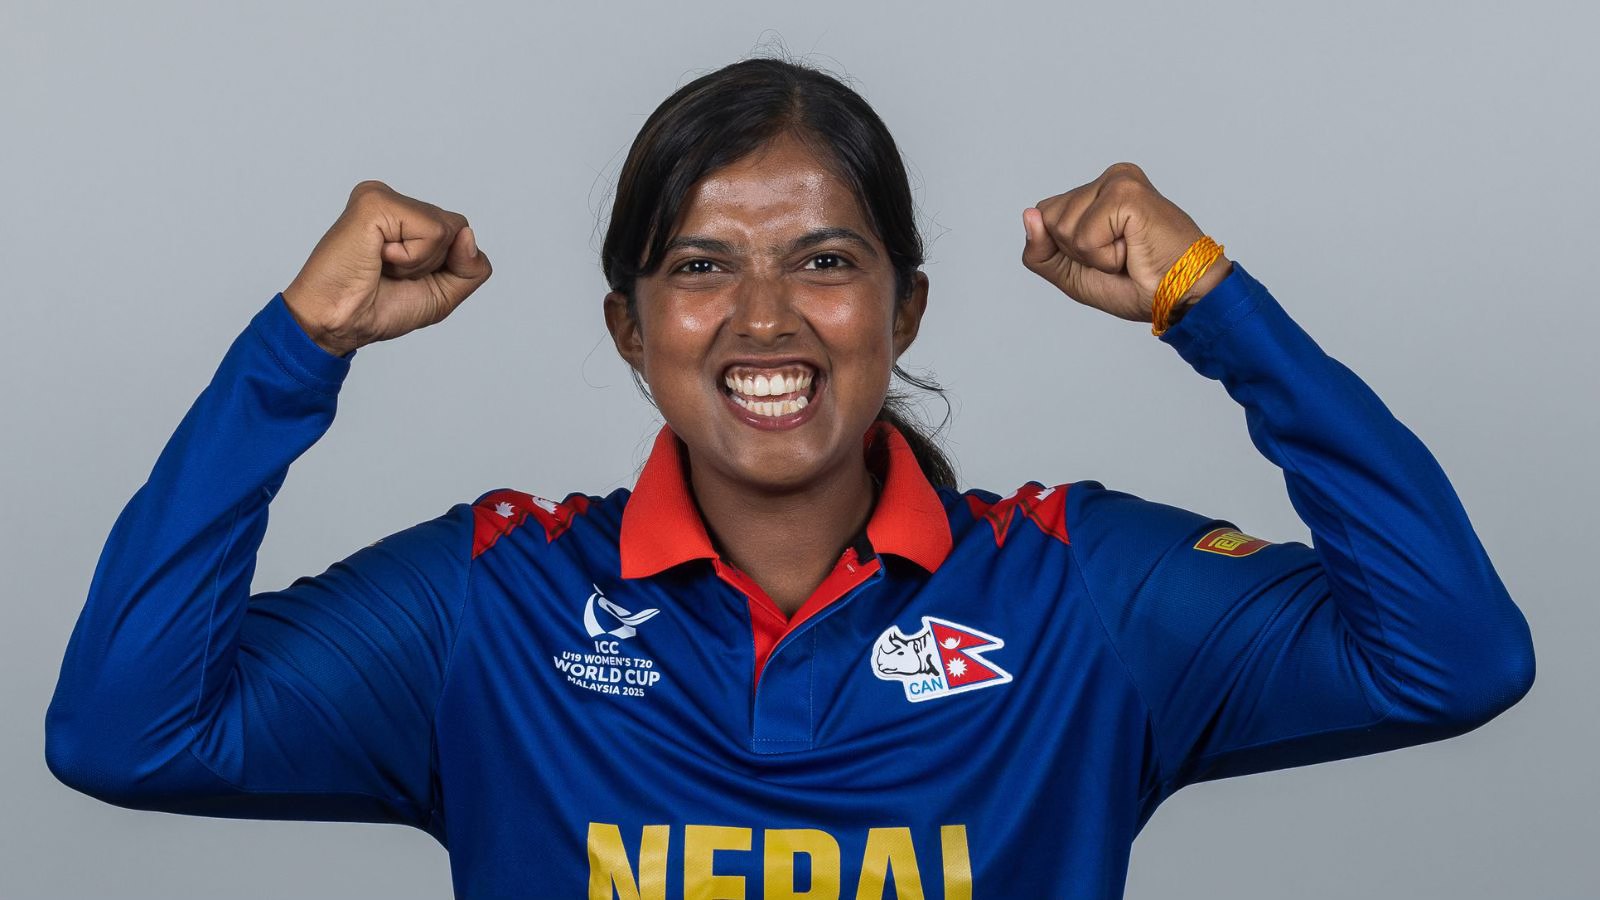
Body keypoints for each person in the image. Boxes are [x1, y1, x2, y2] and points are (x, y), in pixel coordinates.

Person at [45, 56, 1535, 899]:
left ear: (906, 310)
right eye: (701, 269)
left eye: (825, 262)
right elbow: (125, 731)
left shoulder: (1075, 592)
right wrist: (296, 349)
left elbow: (1452, 655)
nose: (765, 322)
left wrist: (1213, 307)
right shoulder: (494, 605)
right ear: (631, 331)